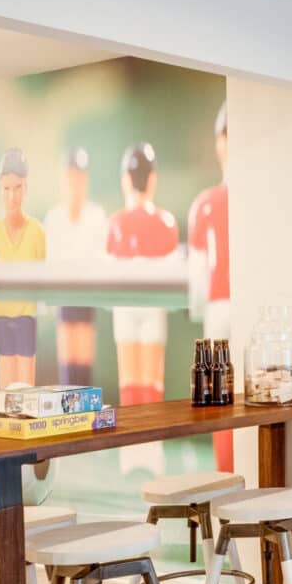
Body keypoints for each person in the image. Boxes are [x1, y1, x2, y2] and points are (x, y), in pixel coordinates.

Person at [106, 142, 180, 407]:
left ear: (126, 180)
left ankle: (133, 435)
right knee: (152, 383)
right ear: (152, 179)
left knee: (129, 382)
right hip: (153, 306)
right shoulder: (166, 222)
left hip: (124, 307)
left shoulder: (115, 223)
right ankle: (152, 433)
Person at [188, 104, 235, 468]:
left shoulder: (204, 204)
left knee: (219, 396)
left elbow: (197, 278)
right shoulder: (261, 201)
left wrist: (196, 308)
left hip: (217, 310)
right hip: (246, 309)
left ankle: (226, 471)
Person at [43, 147, 106, 386]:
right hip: (65, 297)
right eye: (70, 178)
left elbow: (100, 257)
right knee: (69, 366)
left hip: (88, 296)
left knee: (84, 365)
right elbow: (50, 262)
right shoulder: (55, 218)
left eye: (78, 177)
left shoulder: (95, 215)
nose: (74, 184)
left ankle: (85, 405)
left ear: (85, 180)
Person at [0, 147, 46, 388]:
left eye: (18, 187)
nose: (12, 196)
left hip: (26, 320)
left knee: (25, 391)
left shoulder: (36, 231)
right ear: (0, 188)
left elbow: (45, 280)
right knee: (6, 391)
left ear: (26, 187)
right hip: (2, 318)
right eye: (6, 189)